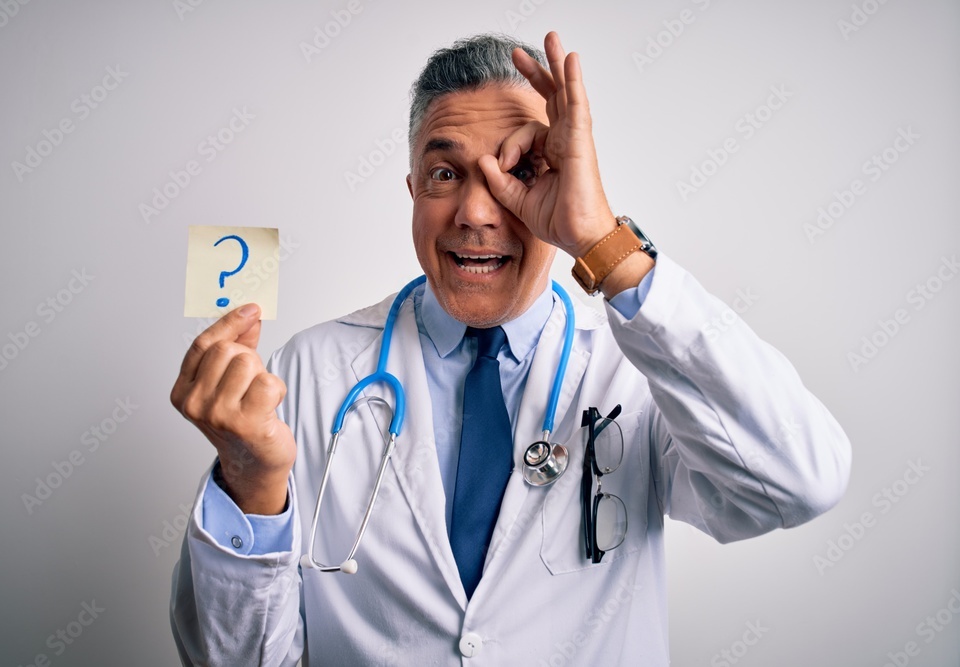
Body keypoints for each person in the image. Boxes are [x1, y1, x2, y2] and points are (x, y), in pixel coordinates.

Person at [169, 31, 851, 665]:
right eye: (444, 174)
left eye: (516, 170)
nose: (475, 212)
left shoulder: (639, 368)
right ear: (412, 191)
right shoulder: (309, 374)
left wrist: (605, 245)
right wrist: (250, 480)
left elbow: (796, 482)